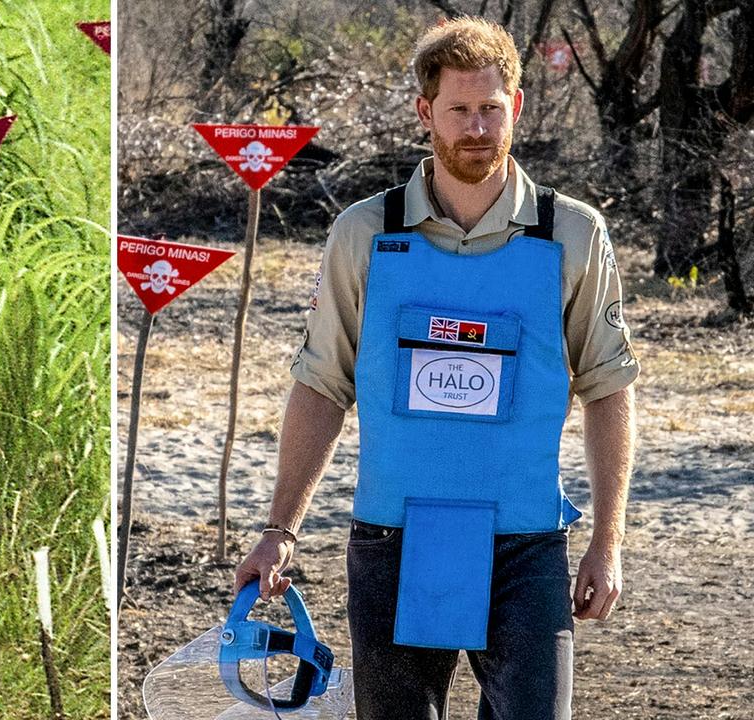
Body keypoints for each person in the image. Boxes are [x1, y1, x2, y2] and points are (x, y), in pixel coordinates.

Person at [233, 17, 639, 720]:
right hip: (391, 542)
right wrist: (280, 530)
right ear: (426, 113)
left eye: (492, 107)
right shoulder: (366, 233)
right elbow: (322, 384)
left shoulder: (572, 233)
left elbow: (608, 388)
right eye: (460, 110)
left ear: (517, 105)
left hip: (526, 543)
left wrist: (607, 544)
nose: (478, 127)